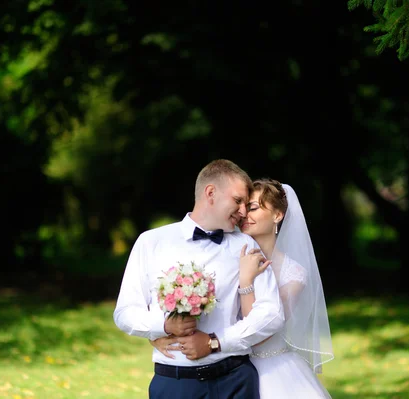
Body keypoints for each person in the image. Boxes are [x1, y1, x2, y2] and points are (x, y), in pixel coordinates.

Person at [113, 160, 284, 399]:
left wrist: (216, 342)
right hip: (175, 384)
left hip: (235, 381)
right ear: (211, 193)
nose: (243, 212)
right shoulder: (151, 242)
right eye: (237, 201)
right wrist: (164, 325)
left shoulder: (245, 246)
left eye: (246, 204)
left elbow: (271, 314)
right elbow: (124, 313)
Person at [152, 178, 335, 398]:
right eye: (242, 207)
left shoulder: (293, 273)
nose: (244, 214)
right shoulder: (226, 255)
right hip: (226, 368)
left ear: (277, 215)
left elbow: (262, 332)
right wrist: (157, 334)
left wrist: (246, 282)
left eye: (253, 208)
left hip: (271, 371)